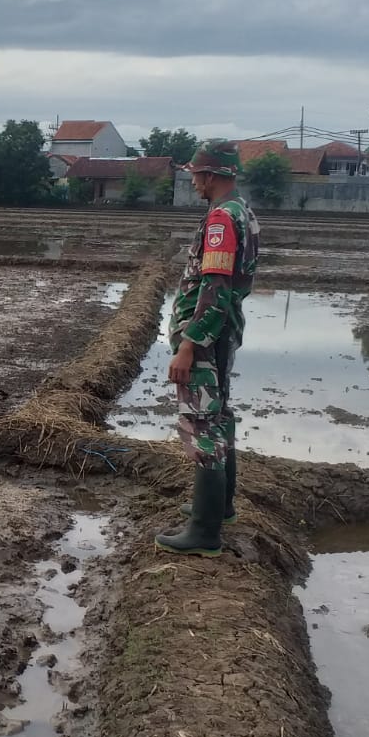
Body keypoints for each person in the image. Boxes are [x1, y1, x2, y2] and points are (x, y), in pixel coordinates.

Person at [155, 140, 260, 557]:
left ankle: (204, 531)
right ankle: (220, 507)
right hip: (225, 332)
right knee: (218, 415)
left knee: (203, 426)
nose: (193, 181)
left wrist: (189, 344)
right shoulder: (243, 213)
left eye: (196, 174)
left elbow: (214, 287)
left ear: (211, 176)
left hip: (207, 335)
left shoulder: (221, 219)